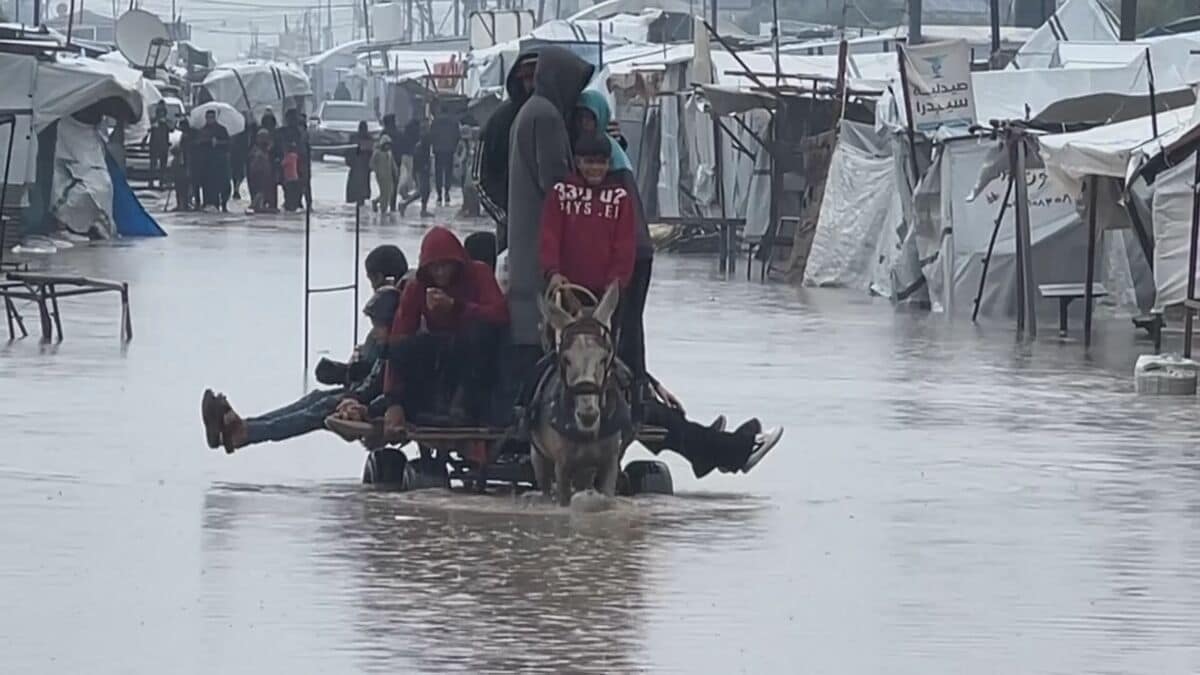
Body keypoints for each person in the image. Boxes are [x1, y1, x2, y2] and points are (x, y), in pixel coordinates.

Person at [201, 245, 409, 452]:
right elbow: (379, 368)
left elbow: (384, 369)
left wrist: (350, 378)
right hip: (371, 387)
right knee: (316, 399)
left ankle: (244, 433)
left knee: (321, 407)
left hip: (380, 395)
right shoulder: (399, 306)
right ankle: (244, 427)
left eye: (372, 280)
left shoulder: (396, 312)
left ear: (383, 278)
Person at [502, 45, 595, 419]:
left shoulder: (529, 113)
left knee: (531, 327)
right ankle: (539, 415)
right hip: (543, 242)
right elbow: (558, 184)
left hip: (526, 239)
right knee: (542, 333)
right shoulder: (547, 117)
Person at [382, 226, 509, 431]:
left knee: (479, 333)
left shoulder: (478, 273)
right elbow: (399, 335)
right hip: (440, 354)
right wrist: (393, 402)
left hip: (477, 355)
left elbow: (499, 314)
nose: (440, 273)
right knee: (400, 348)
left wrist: (457, 307)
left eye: (445, 266)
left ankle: (463, 406)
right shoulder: (417, 287)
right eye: (435, 267)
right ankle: (427, 404)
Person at [539, 131, 636, 307]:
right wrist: (553, 272)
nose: (596, 168)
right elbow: (550, 236)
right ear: (577, 162)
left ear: (609, 164)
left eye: (602, 162)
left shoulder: (620, 198)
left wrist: (616, 283)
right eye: (589, 162)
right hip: (565, 288)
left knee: (606, 334)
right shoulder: (561, 193)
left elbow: (624, 246)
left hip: (607, 294)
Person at [474, 47, 538, 252]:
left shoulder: (564, 115)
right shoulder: (501, 120)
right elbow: (479, 176)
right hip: (512, 227)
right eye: (527, 79)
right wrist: (505, 216)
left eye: (537, 78)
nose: (533, 85)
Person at [400, 116, 433, 218]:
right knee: (422, 191)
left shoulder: (423, 138)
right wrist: (424, 167)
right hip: (422, 168)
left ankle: (423, 210)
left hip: (423, 167)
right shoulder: (423, 139)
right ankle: (405, 204)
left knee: (425, 191)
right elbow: (421, 156)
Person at [199, 109, 231, 212]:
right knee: (208, 185)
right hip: (206, 162)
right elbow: (199, 143)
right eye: (208, 118)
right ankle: (209, 202)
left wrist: (219, 143)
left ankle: (223, 203)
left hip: (219, 162)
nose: (210, 120)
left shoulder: (221, 129)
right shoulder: (203, 130)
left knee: (222, 184)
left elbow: (228, 143)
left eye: (212, 117)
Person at [429, 104, 461, 206]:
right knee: (448, 172)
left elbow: (431, 135)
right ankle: (447, 192)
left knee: (438, 172)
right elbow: (457, 136)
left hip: (438, 150)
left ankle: (439, 194)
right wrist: (454, 147)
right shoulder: (453, 122)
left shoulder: (435, 121)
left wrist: (433, 146)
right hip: (449, 150)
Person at [346, 120, 373, 208]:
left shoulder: (355, 138)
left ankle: (358, 201)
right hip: (362, 167)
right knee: (361, 188)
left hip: (359, 167)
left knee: (358, 187)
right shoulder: (368, 138)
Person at [248, 129, 277, 213]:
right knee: (260, 191)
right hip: (259, 173)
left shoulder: (261, 149)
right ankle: (254, 205)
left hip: (262, 172)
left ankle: (258, 205)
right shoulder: (257, 150)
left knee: (262, 191)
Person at [371, 135, 396, 213]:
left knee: (390, 192)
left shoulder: (389, 153)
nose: (387, 146)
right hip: (381, 176)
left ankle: (376, 202)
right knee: (384, 193)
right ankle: (383, 209)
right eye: (386, 144)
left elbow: (393, 164)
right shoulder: (377, 153)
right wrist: (376, 171)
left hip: (389, 175)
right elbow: (372, 164)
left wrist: (395, 172)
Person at [148, 103, 171, 190]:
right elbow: (148, 129)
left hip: (164, 146)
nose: (161, 114)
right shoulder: (153, 121)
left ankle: (161, 182)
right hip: (154, 145)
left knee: (163, 166)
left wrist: (165, 123)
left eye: (163, 112)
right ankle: (151, 182)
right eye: (159, 112)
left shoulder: (166, 122)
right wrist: (154, 125)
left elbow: (172, 128)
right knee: (153, 165)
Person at [281, 141, 302, 211]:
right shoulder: (295, 156)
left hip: (289, 179)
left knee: (288, 194)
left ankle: (289, 207)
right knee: (293, 194)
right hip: (295, 178)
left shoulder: (288, 157)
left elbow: (282, 164)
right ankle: (293, 206)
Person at [169, 145, 190, 212]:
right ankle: (182, 205)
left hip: (181, 178)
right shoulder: (176, 161)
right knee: (180, 192)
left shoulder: (179, 160)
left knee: (182, 192)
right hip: (179, 178)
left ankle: (183, 205)